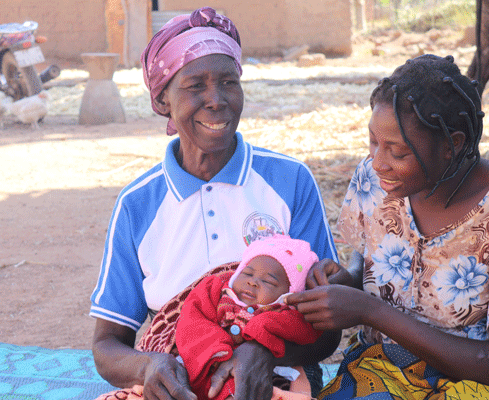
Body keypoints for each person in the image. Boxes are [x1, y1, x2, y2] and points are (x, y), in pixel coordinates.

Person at [89, 7, 340, 400]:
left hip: (275, 375)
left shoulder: (289, 180)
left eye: (228, 82)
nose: (217, 100)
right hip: (176, 383)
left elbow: (327, 325)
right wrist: (149, 365)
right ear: (162, 99)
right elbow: (107, 344)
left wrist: (262, 351)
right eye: (195, 85)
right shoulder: (138, 204)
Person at [286, 54, 489, 400]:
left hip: (473, 385)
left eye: (397, 152)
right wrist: (349, 278)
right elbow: (370, 258)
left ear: (454, 144)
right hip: (379, 371)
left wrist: (368, 310)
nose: (378, 163)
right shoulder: (374, 180)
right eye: (374, 142)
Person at [176, 235, 323, 400]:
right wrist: (217, 350)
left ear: (289, 294)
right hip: (203, 362)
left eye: (269, 282)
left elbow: (309, 331)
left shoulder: (285, 314)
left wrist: (262, 326)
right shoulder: (216, 292)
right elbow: (193, 320)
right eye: (247, 273)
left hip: (259, 375)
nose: (252, 282)